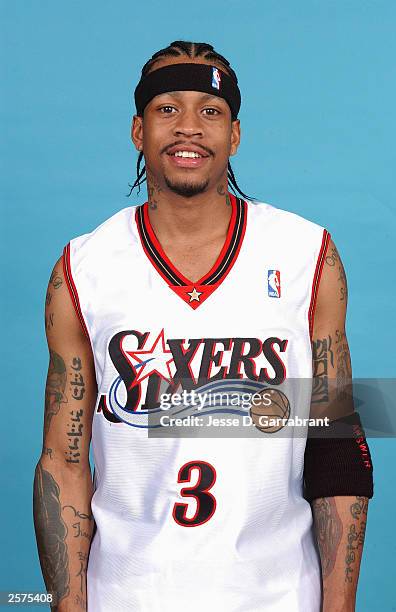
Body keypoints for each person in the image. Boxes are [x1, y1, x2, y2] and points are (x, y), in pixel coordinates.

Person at [33, 40, 373, 612]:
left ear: (234, 135)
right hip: (129, 594)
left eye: (210, 111)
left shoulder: (306, 253)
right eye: (167, 109)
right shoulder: (82, 268)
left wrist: (338, 606)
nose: (188, 128)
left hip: (277, 595)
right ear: (138, 131)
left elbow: (335, 443)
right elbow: (63, 461)